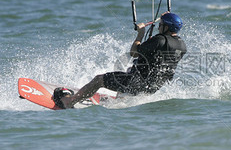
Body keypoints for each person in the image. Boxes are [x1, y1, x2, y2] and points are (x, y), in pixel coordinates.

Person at [53, 12, 187, 109]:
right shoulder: (182, 46)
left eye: (161, 24)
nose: (159, 27)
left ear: (167, 27)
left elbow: (134, 52)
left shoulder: (160, 40)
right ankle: (121, 98)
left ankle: (69, 102)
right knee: (130, 70)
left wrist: (140, 33)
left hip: (137, 83)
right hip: (153, 88)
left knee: (99, 80)